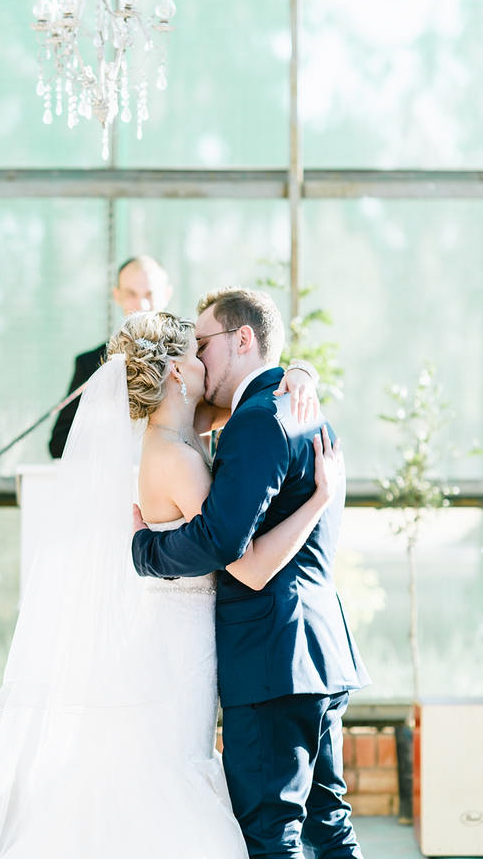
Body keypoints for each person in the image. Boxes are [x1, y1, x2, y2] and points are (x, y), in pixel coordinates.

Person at [0, 308, 338, 859]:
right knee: (167, 779)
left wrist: (302, 371)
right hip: (179, 643)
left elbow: (255, 387)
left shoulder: (189, 427)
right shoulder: (175, 453)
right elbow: (247, 564)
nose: (204, 361)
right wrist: (319, 500)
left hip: (190, 634)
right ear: (174, 373)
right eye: (195, 353)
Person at [132, 288, 370, 859]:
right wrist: (300, 370)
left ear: (242, 340)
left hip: (271, 659)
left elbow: (221, 540)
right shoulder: (291, 405)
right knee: (327, 824)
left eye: (203, 342)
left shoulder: (258, 420)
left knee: (270, 834)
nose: (196, 355)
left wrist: (145, 551)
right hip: (314, 652)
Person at [48, 254, 173, 457]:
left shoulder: (191, 358)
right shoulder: (90, 363)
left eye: (150, 293)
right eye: (131, 293)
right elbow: (60, 442)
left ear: (167, 294)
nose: (141, 304)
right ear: (117, 296)